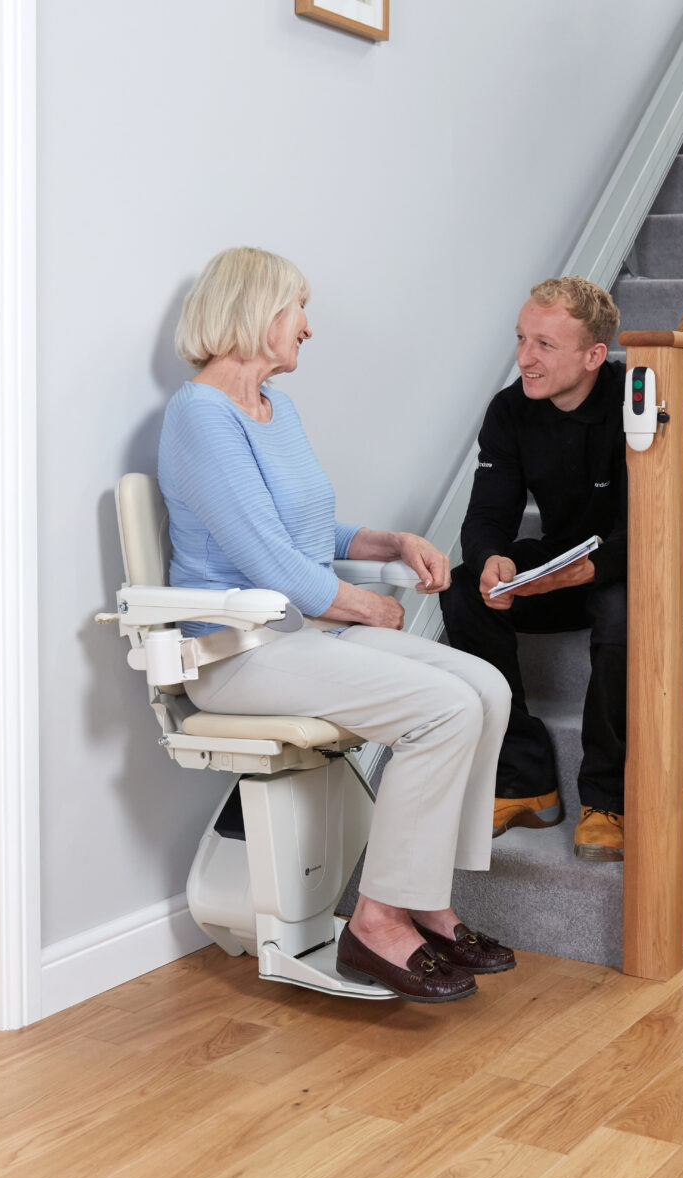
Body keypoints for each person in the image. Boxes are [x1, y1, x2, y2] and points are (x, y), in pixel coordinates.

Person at [159, 246, 515, 1003]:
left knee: (485, 686)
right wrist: (358, 604)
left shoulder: (274, 409)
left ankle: (424, 900)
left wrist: (387, 543)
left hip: (299, 639)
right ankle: (378, 921)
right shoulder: (199, 418)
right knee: (443, 710)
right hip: (234, 653)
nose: (308, 327)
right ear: (254, 312)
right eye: (297, 307)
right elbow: (263, 557)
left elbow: (303, 531)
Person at [440, 277, 628, 862]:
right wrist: (493, 557)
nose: (525, 357)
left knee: (621, 613)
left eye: (545, 344)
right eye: (522, 339)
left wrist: (584, 571)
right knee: (464, 589)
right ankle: (525, 775)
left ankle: (606, 798)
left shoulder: (638, 400)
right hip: (558, 562)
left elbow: (661, 529)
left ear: (594, 355)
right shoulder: (510, 409)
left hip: (629, 565)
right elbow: (487, 513)